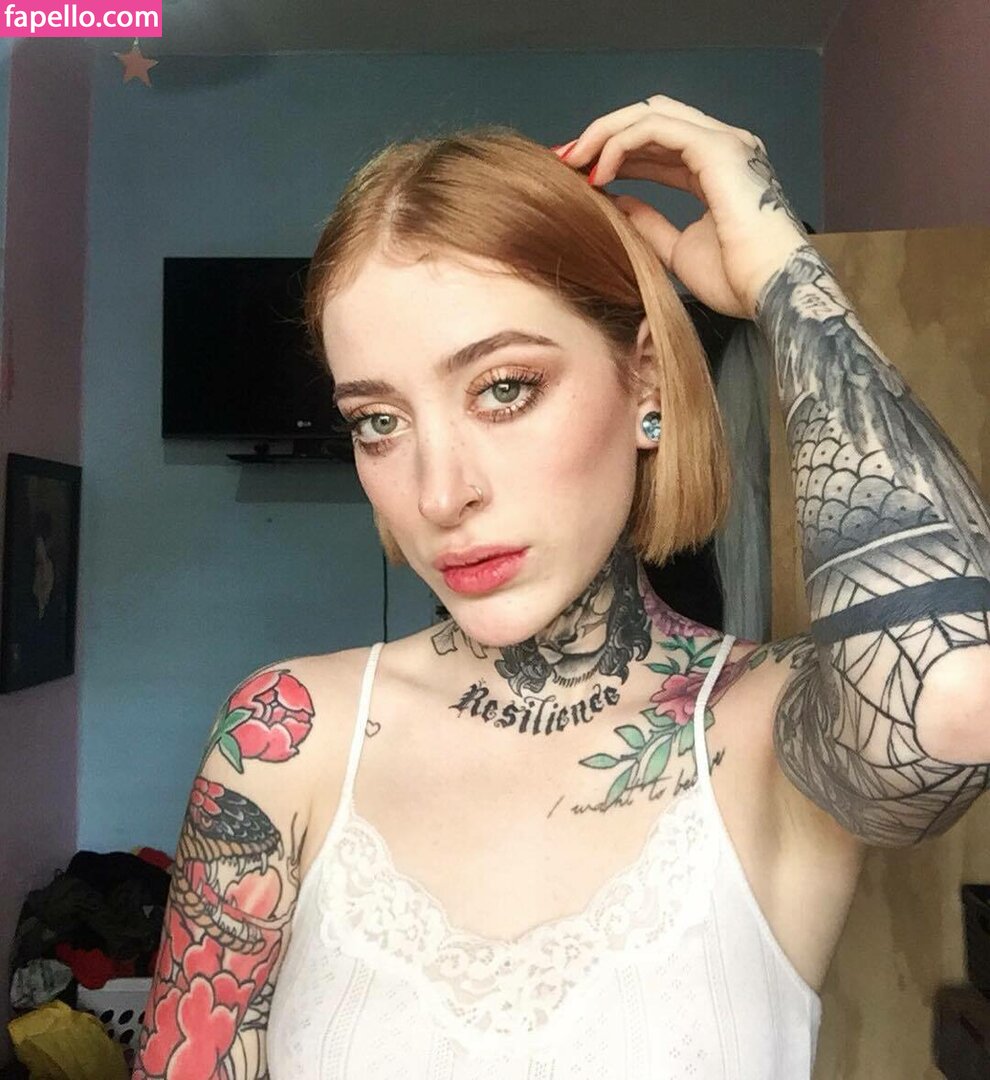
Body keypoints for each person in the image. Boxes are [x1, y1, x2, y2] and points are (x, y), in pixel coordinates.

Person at [132, 95, 990, 1079]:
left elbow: (955, 693)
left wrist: (781, 276)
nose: (440, 493)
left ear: (648, 384)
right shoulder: (286, 736)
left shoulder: (763, 728)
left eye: (504, 388)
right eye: (379, 422)